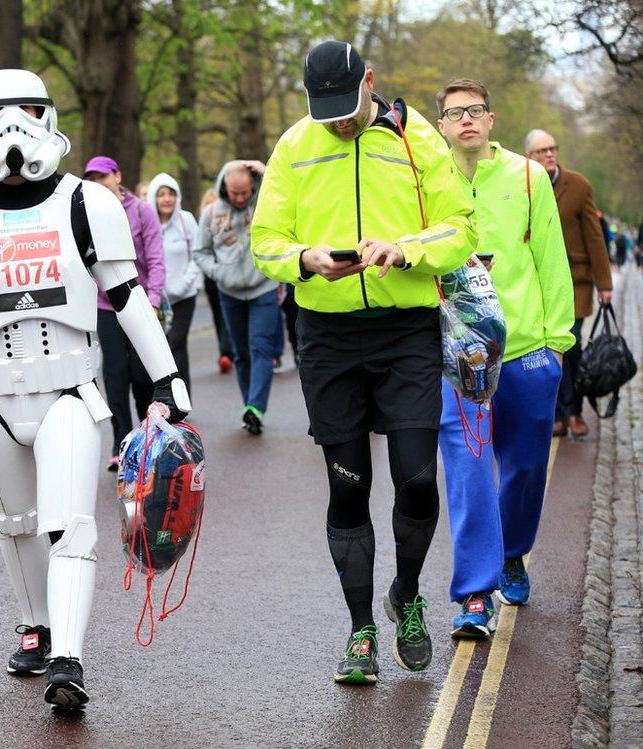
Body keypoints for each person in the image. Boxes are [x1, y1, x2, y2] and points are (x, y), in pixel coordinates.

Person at [0, 69, 190, 709]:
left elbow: (127, 294)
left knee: (71, 527)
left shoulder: (87, 203)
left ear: (49, 116)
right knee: (14, 524)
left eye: (26, 109)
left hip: (69, 390)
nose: (12, 127)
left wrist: (167, 377)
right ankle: (38, 630)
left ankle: (68, 658)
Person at [251, 40, 476, 684]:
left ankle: (405, 595)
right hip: (326, 334)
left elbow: (461, 227)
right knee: (348, 487)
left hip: (405, 331)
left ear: (369, 82)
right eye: (325, 112)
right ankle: (360, 631)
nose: (339, 122)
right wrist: (303, 259)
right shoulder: (296, 146)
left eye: (346, 108)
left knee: (416, 480)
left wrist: (405, 249)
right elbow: (266, 239)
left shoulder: (418, 141)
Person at [435, 79, 574, 638]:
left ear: (491, 120)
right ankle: (475, 593)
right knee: (468, 472)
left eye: (475, 111)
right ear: (442, 125)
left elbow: (550, 258)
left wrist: (557, 344)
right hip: (458, 359)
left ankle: (513, 551)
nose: (466, 120)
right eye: (454, 114)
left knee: (524, 469)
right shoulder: (427, 178)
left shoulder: (527, 175)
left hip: (526, 350)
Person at [525, 129, 613, 439]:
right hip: (536, 283)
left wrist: (605, 283)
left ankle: (573, 411)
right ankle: (557, 415)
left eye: (552, 148)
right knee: (546, 349)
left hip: (575, 281)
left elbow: (594, 236)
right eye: (541, 151)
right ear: (529, 157)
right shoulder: (522, 184)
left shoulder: (578, 185)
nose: (549, 154)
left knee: (570, 344)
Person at [83, 156, 166, 470]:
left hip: (140, 302)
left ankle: (147, 441)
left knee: (143, 377)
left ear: (118, 176)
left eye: (103, 177)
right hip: (105, 306)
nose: (98, 184)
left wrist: (154, 299)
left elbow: (156, 258)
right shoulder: (87, 215)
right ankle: (121, 444)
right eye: (91, 180)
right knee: (115, 375)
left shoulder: (142, 211)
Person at [194, 159, 276, 435]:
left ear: (252, 187)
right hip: (229, 292)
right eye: (234, 193)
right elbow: (200, 252)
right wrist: (218, 273)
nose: (241, 198)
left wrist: (266, 171)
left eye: (245, 192)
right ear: (224, 188)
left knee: (260, 347)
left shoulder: (264, 204)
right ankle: (249, 408)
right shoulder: (210, 214)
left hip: (262, 287)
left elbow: (282, 187)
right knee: (241, 353)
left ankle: (256, 406)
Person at [147, 172, 200, 390]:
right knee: (160, 350)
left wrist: (184, 283)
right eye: (161, 195)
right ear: (154, 198)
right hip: (158, 299)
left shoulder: (186, 220)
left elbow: (197, 254)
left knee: (176, 343)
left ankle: (182, 399)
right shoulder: (148, 222)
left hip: (185, 295)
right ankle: (164, 397)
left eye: (171, 194)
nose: (166, 199)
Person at [199, 188, 234, 374]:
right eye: (208, 204)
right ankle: (225, 352)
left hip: (229, 276)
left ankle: (228, 353)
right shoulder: (202, 228)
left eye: (215, 203)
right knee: (218, 315)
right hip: (211, 278)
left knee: (228, 313)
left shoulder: (228, 224)